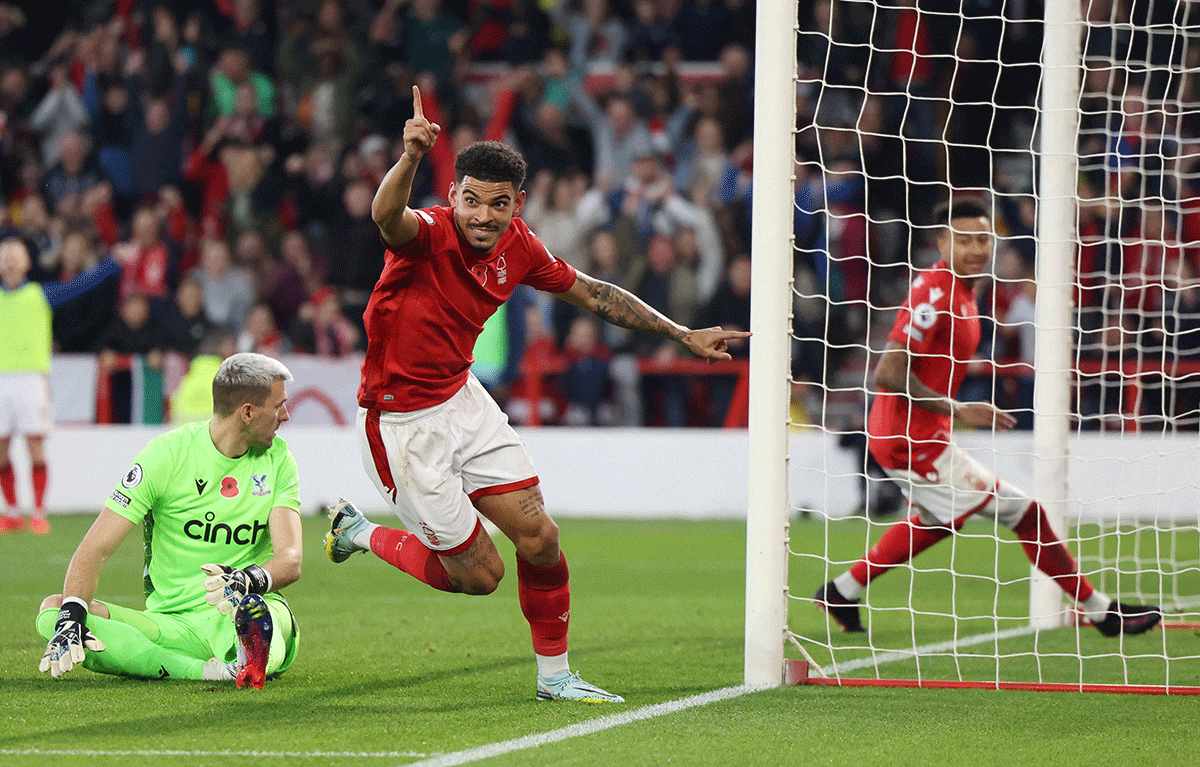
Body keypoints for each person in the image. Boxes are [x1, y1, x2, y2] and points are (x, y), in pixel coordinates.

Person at [324, 86, 749, 703]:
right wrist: (410, 155)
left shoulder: (520, 246)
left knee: (541, 538)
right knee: (480, 577)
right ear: (453, 198)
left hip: (461, 399)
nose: (483, 216)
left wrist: (679, 332)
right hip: (401, 425)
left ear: (516, 205)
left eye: (497, 205)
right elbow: (386, 216)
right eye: (471, 201)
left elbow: (597, 294)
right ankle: (359, 532)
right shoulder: (426, 235)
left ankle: (556, 677)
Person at [813, 197, 1163, 637]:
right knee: (1027, 513)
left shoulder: (965, 292)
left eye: (983, 239)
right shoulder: (933, 293)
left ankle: (842, 590)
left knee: (939, 523)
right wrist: (958, 408)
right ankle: (1101, 612)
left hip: (923, 434)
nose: (976, 248)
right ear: (942, 243)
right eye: (964, 240)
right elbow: (888, 372)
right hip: (910, 439)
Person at [36, 353, 301, 689]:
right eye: (279, 406)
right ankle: (210, 669)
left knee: (264, 619)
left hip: (243, 610)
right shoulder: (166, 454)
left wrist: (246, 581)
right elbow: (96, 548)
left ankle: (243, 652)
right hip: (171, 625)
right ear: (248, 412)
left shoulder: (279, 459)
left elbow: (290, 559)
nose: (286, 415)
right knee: (54, 612)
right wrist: (72, 617)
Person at [0, 237, 121, 534]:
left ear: (28, 263)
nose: (11, 260)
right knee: (1, 450)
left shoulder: (41, 294)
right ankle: (12, 513)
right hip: (1, 379)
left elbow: (82, 284)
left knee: (35, 446)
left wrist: (113, 262)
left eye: (16, 254)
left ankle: (39, 512)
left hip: (31, 379)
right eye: (5, 255)